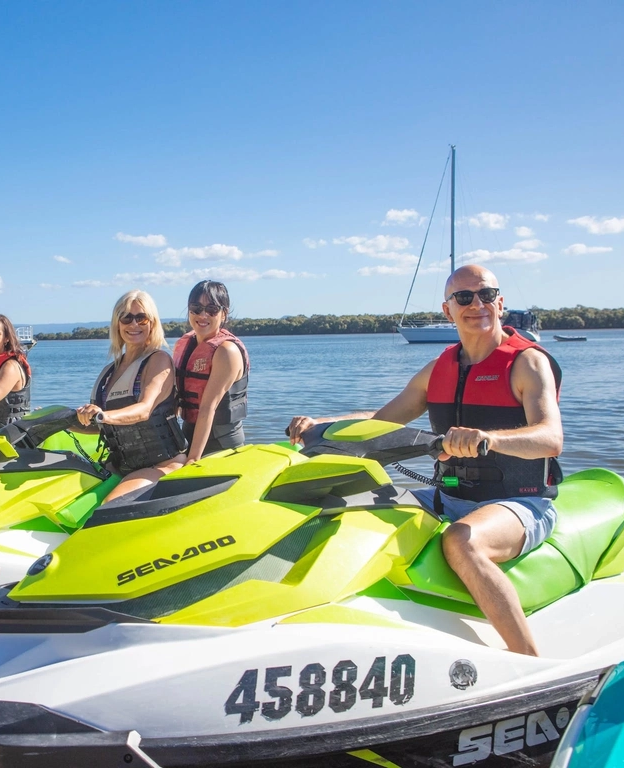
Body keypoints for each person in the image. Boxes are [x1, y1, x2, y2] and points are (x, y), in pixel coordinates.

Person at [288, 264, 563, 657]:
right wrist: (323, 424)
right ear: (447, 309)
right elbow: (381, 421)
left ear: (500, 303)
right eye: (464, 297)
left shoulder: (527, 363)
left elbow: (551, 438)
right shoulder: (438, 370)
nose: (476, 304)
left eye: (485, 295)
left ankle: (530, 660)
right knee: (344, 507)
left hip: (520, 501)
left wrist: (488, 438)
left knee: (461, 542)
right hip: (447, 495)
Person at [76, 290, 187, 502]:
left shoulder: (158, 360)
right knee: (70, 496)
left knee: (110, 506)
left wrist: (103, 415)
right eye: (126, 317)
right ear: (117, 324)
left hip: (161, 464)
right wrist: (61, 420)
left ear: (152, 323)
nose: (133, 324)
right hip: (120, 465)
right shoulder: (110, 371)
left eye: (141, 318)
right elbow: (97, 425)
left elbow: (144, 410)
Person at [173, 280, 249, 462]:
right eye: (196, 308)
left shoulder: (226, 351)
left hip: (222, 444)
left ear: (224, 313)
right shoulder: (186, 344)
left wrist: (192, 460)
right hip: (188, 435)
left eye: (212, 309)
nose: (203, 315)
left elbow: (208, 407)